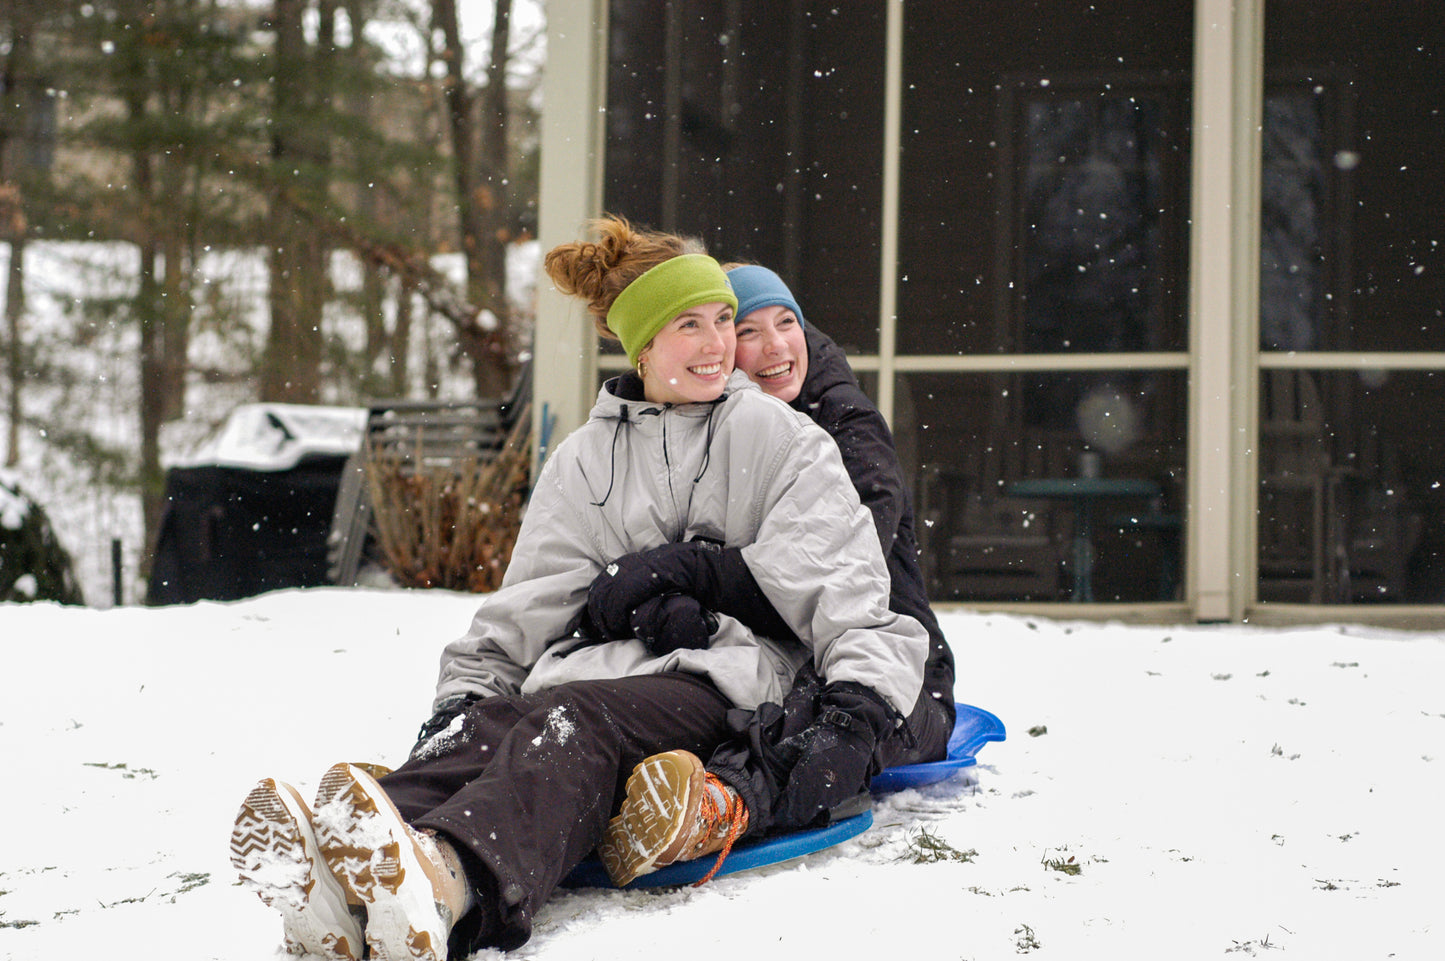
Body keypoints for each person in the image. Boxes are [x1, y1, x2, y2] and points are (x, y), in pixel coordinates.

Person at [229, 216, 929, 961]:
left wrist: (857, 711)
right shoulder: (584, 461)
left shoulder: (780, 440)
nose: (719, 343)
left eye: (723, 319)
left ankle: (444, 882)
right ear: (644, 344)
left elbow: (852, 598)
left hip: (728, 682)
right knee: (501, 723)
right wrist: (461, 702)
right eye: (690, 324)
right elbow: (527, 607)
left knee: (570, 723)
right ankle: (346, 879)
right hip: (592, 676)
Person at [589, 265, 956, 879]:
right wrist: (657, 605)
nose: (776, 345)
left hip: (896, 670)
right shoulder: (704, 432)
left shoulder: (849, 431)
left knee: (819, 722)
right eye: (750, 330)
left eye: (788, 324)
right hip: (777, 655)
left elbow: (822, 574)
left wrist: (683, 570)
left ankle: (716, 809)